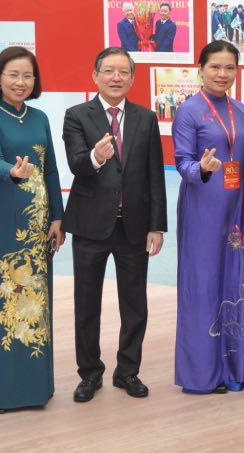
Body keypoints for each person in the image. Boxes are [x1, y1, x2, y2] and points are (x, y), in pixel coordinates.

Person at [62, 48, 166, 403]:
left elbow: (155, 175)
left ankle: (128, 371)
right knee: (86, 305)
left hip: (133, 227)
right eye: (109, 70)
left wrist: (157, 226)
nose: (116, 77)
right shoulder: (77, 115)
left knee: (135, 306)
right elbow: (76, 164)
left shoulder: (146, 118)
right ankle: (90, 373)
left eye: (123, 71)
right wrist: (96, 156)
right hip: (90, 226)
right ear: (95, 75)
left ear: (132, 78)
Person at [0, 46, 65, 411]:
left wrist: (58, 217)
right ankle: (1, 390)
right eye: (13, 74)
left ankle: (34, 388)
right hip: (2, 217)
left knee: (35, 297)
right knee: (5, 295)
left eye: (27, 75)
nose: (21, 82)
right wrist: (12, 171)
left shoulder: (40, 117)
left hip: (37, 221)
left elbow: (51, 169)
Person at [172, 41, 244, 394]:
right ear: (201, 69)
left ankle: (233, 368)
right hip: (203, 206)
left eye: (229, 67)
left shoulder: (241, 109)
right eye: (215, 67)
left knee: (235, 282)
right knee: (202, 285)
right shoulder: (189, 111)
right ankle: (201, 374)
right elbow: (182, 162)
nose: (222, 74)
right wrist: (202, 168)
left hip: (238, 209)